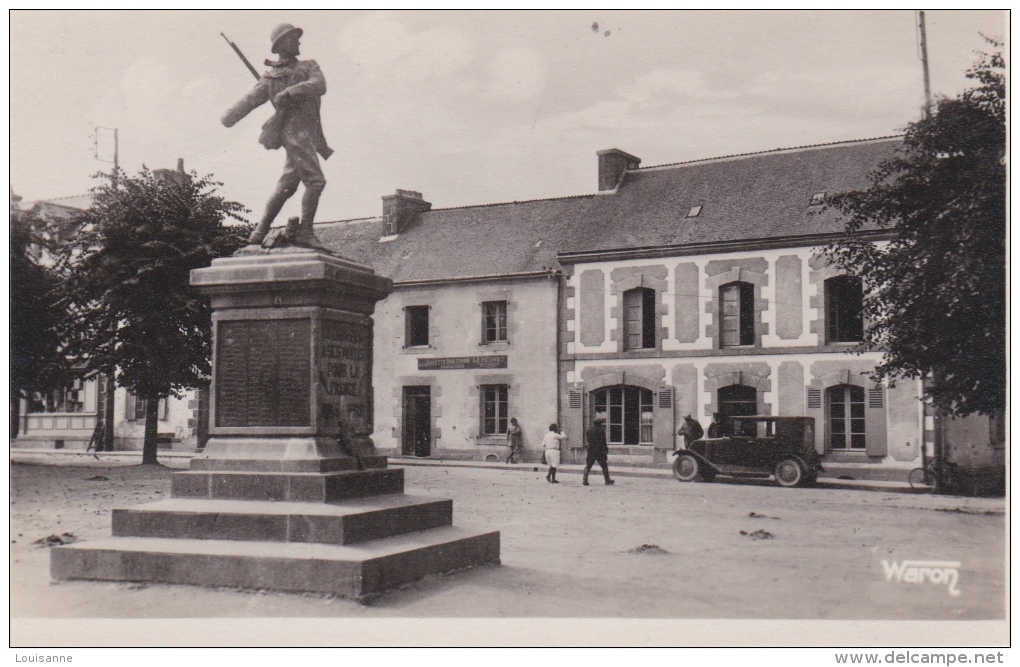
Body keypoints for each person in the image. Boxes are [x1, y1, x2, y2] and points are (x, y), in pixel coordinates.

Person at [222, 23, 333, 248]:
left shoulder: (308, 66)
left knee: (287, 186)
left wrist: (289, 91)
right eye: (294, 39)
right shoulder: (271, 78)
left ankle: (259, 231)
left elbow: (319, 85)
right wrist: (230, 116)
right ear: (282, 44)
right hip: (293, 132)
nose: (299, 42)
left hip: (308, 132)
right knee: (316, 180)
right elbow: (250, 100)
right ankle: (306, 232)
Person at [583, 416, 615, 486]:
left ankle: (585, 480)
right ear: (600, 423)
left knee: (588, 465)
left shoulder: (589, 430)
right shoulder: (601, 430)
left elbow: (588, 440)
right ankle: (607, 480)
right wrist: (605, 450)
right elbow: (603, 441)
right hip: (599, 451)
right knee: (604, 466)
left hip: (591, 450)